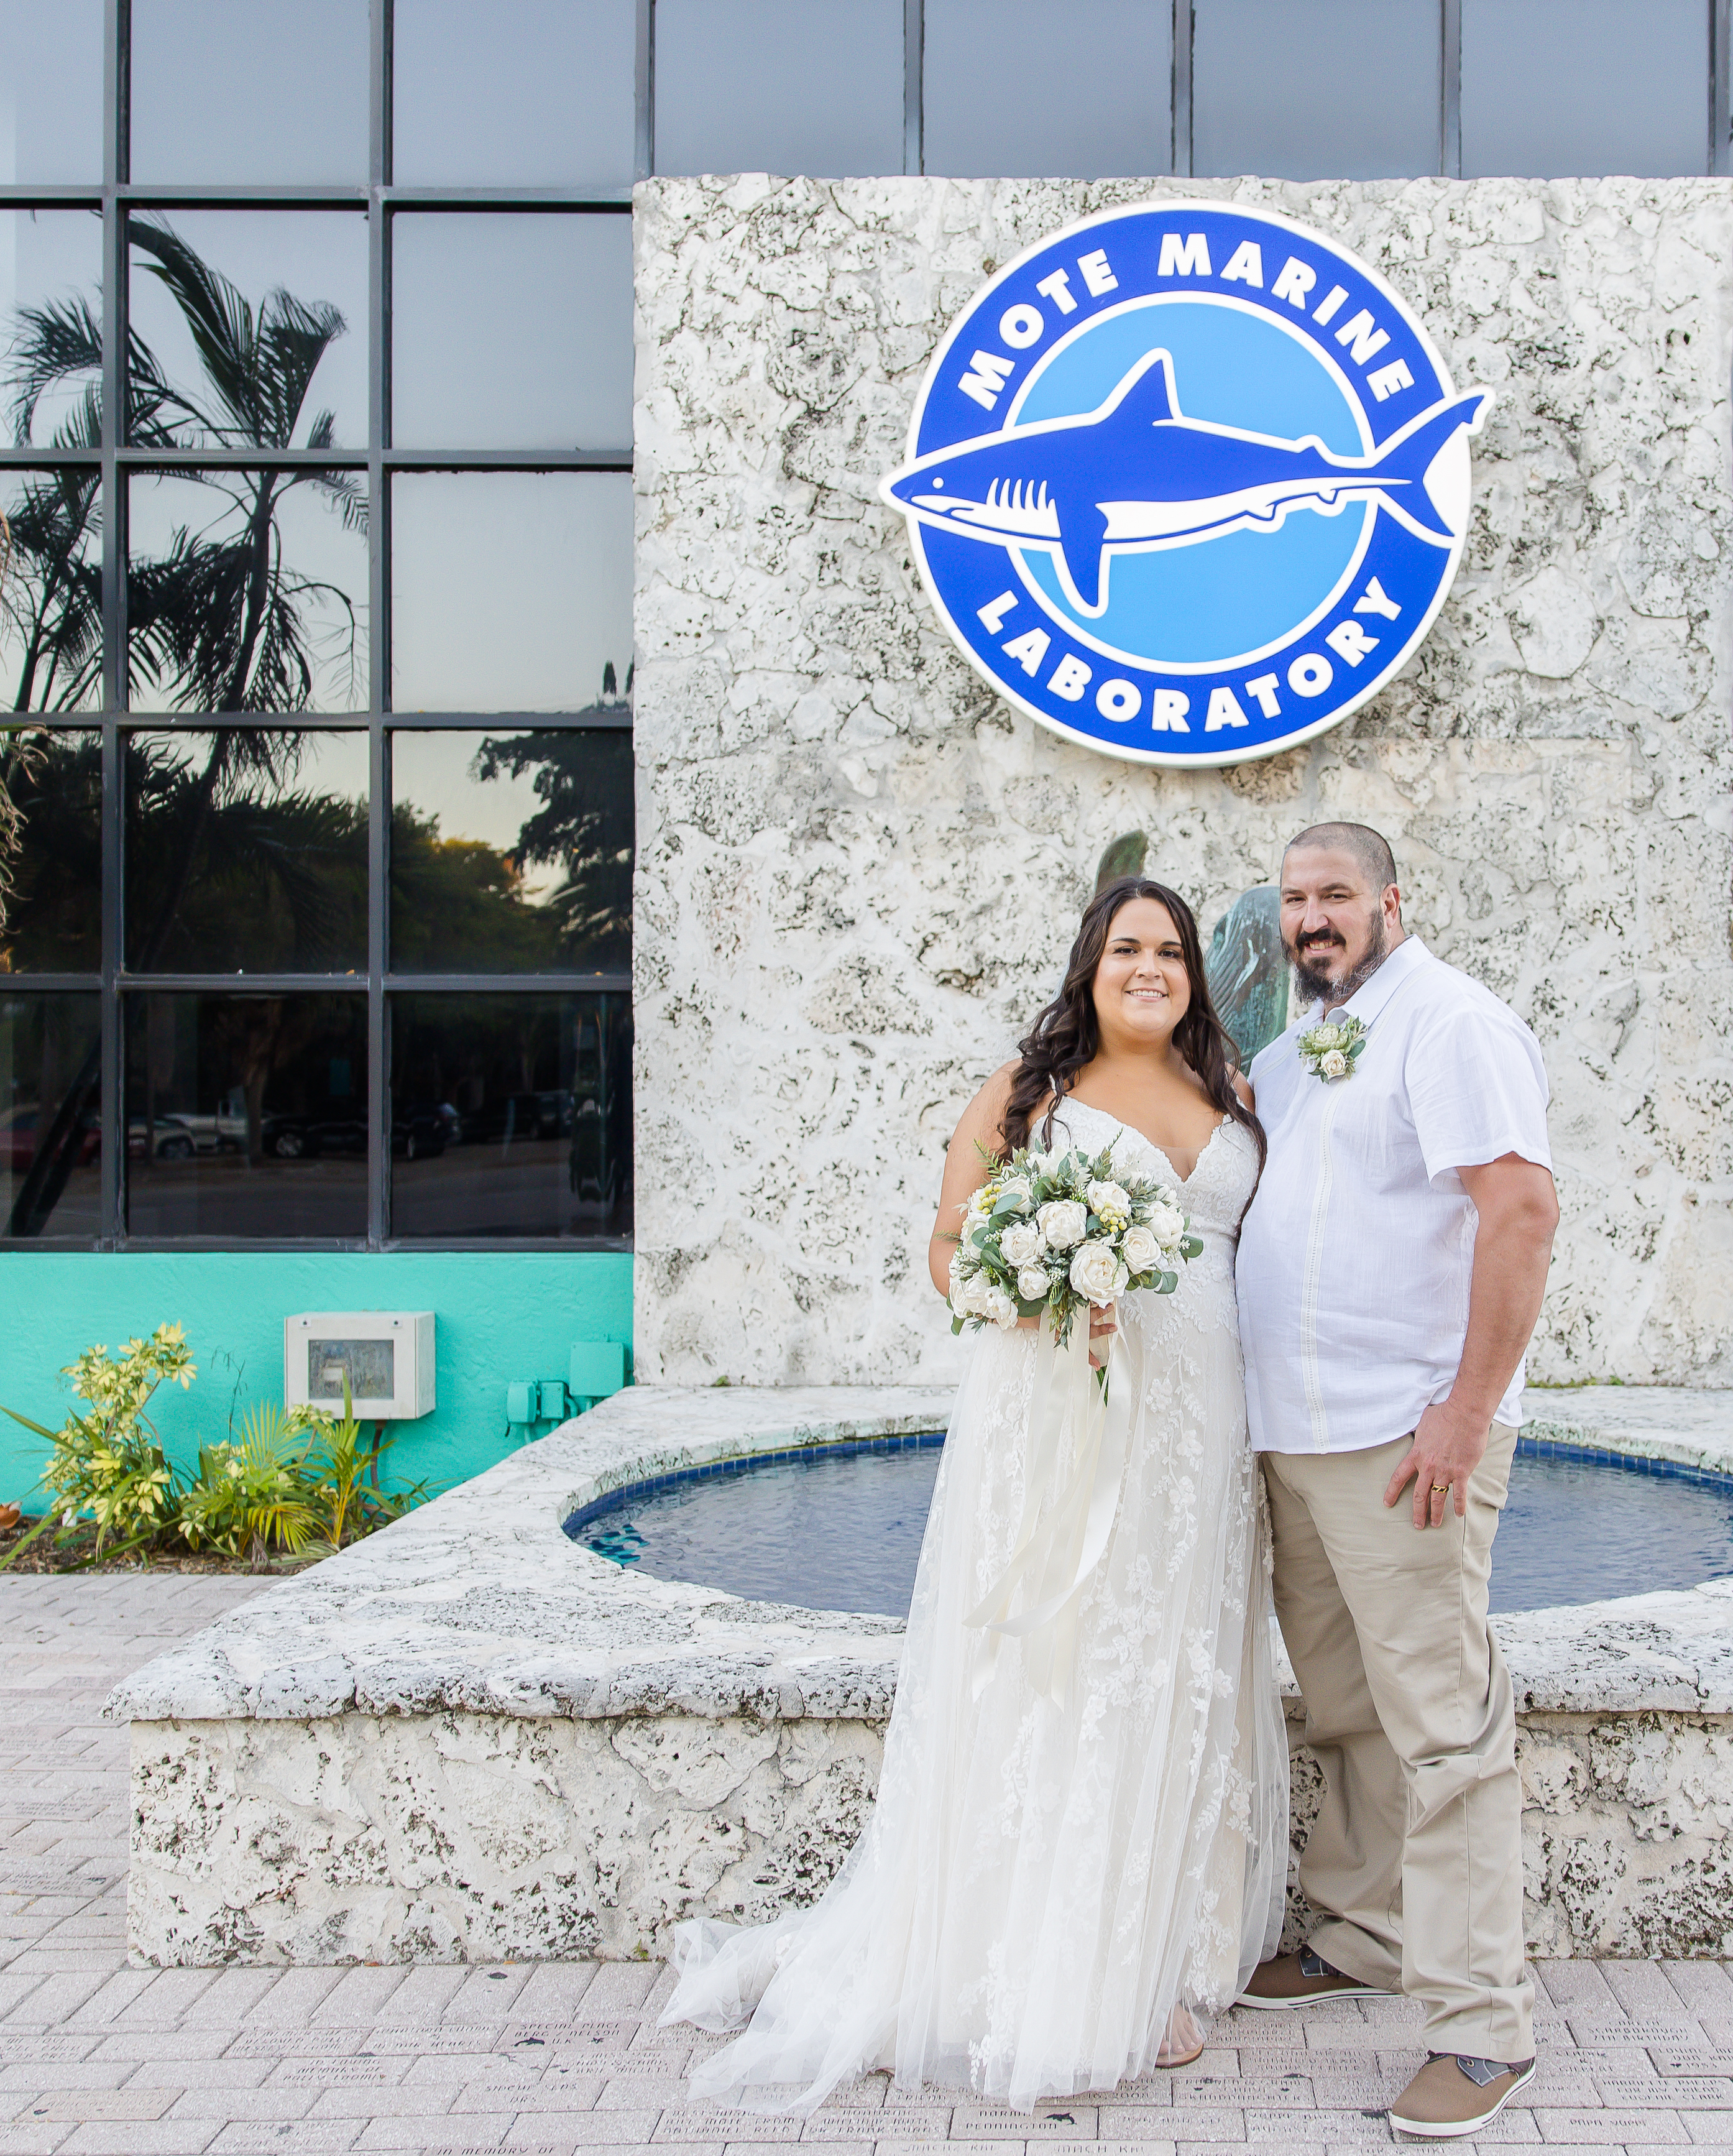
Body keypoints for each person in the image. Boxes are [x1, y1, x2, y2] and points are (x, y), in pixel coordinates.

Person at [660, 876, 1284, 2111]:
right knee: (1058, 1665)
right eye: (1125, 949)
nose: (1149, 967)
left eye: (1169, 950)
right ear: (1089, 968)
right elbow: (950, 1248)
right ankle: (1047, 1965)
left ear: (1195, 974)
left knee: (1171, 1662)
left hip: (1203, 1426)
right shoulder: (1028, 1094)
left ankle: (1150, 1941)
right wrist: (1036, 1285)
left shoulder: (1234, 1093)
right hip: (1057, 1416)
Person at [1231, 821, 1560, 2141]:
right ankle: (1358, 1935)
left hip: (1402, 1441)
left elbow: (1521, 1211)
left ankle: (1484, 2028)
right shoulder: (1290, 1050)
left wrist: (1465, 1415)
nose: (1315, 917)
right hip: (1293, 1439)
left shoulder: (1453, 1024)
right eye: (1298, 899)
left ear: (1389, 901)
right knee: (1346, 1708)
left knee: (1444, 1729)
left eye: (1337, 896)